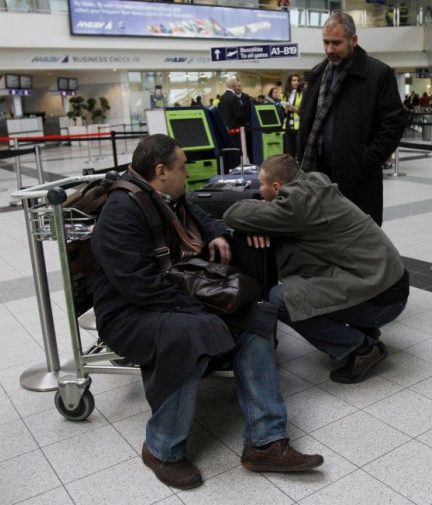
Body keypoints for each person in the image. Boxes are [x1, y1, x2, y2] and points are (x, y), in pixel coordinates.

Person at [91, 135, 323, 490]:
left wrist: (215, 233)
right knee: (197, 333)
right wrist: (203, 310)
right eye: (182, 168)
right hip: (128, 312)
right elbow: (138, 286)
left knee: (257, 320)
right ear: (160, 171)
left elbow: (195, 209)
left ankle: (265, 442)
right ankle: (161, 448)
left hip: (167, 294)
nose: (187, 174)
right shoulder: (122, 211)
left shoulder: (163, 196)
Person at [223, 154, 409, 383]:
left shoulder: (298, 206)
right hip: (386, 283)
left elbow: (231, 214)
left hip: (383, 301)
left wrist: (259, 215)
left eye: (261, 185)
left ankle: (363, 348)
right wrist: (266, 213)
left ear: (276, 186)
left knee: (281, 299)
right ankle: (364, 330)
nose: (259, 190)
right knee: (304, 287)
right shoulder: (314, 183)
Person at [297, 12, 407, 226]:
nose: (330, 49)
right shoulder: (318, 73)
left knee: (359, 241)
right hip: (318, 175)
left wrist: (365, 160)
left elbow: (393, 124)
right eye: (326, 42)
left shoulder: (378, 74)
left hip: (357, 179)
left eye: (336, 43)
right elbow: (306, 118)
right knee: (323, 235)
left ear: (353, 40)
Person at [282, 73, 304, 157]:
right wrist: (285, 110)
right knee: (289, 152)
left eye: (297, 80)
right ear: (289, 82)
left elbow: (304, 110)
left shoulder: (302, 94)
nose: (296, 82)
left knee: (299, 151)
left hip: (298, 127)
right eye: (294, 80)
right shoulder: (284, 95)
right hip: (287, 126)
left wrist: (295, 109)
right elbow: (281, 112)